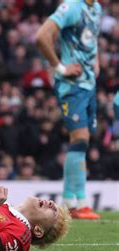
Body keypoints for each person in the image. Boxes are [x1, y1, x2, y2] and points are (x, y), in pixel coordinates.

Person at [35, 0, 102, 219]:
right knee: (80, 139)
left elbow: (91, 39)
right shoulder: (72, 6)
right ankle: (80, 202)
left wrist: (96, 60)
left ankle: (68, 201)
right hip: (72, 87)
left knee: (81, 142)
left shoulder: (96, 8)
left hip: (88, 85)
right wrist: (60, 67)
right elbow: (42, 36)